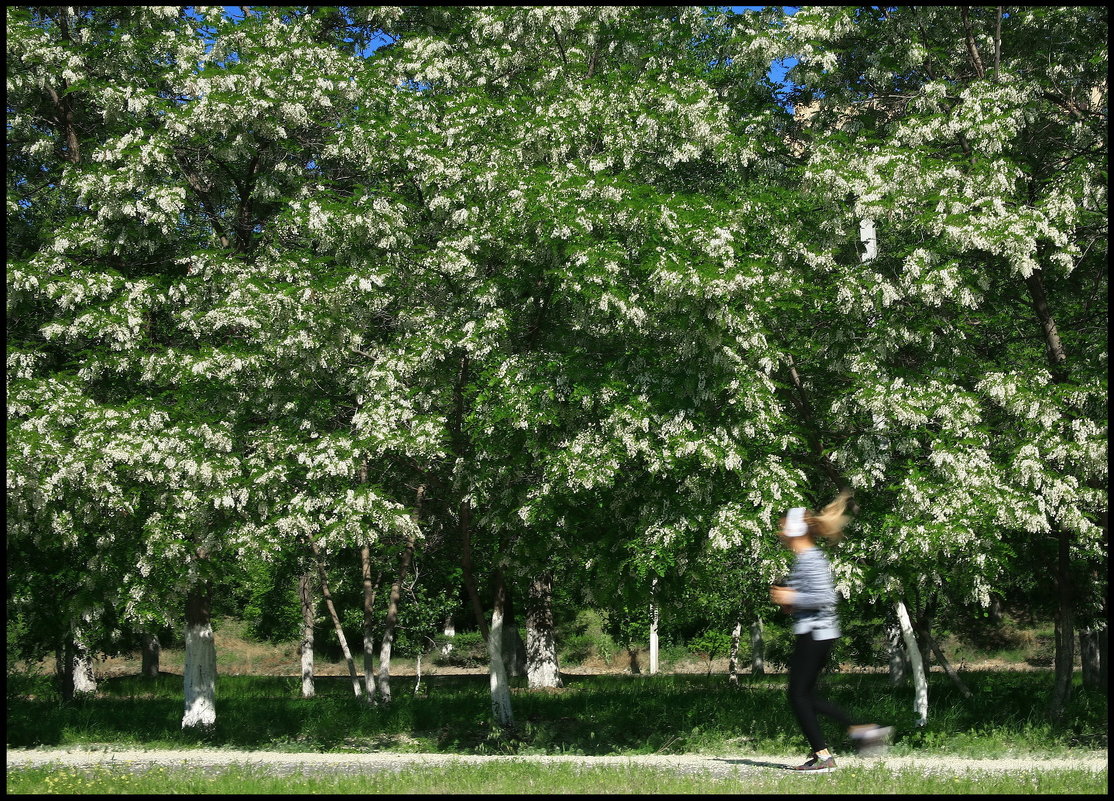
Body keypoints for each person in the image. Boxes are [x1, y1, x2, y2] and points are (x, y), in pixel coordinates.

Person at [769, 491, 892, 773]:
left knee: (798, 695)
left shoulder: (811, 557)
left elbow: (825, 597)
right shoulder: (805, 558)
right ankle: (861, 732)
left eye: (783, 525)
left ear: (794, 530)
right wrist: (792, 604)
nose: (779, 530)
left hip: (816, 633)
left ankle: (826, 755)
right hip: (814, 630)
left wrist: (791, 598)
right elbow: (810, 597)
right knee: (804, 695)